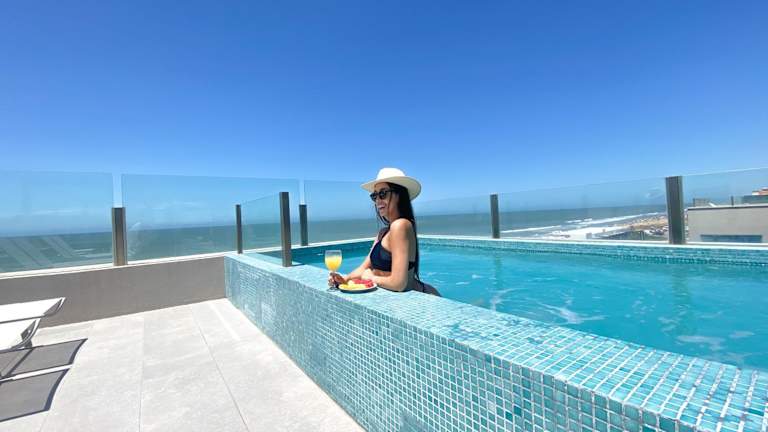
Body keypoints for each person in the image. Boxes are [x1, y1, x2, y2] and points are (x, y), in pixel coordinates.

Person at [328, 168, 440, 296]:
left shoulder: (401, 225)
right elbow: (364, 268)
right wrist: (344, 279)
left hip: (424, 297)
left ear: (399, 195)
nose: (377, 200)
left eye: (383, 194)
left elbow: (399, 283)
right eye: (374, 196)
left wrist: (371, 277)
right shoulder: (383, 233)